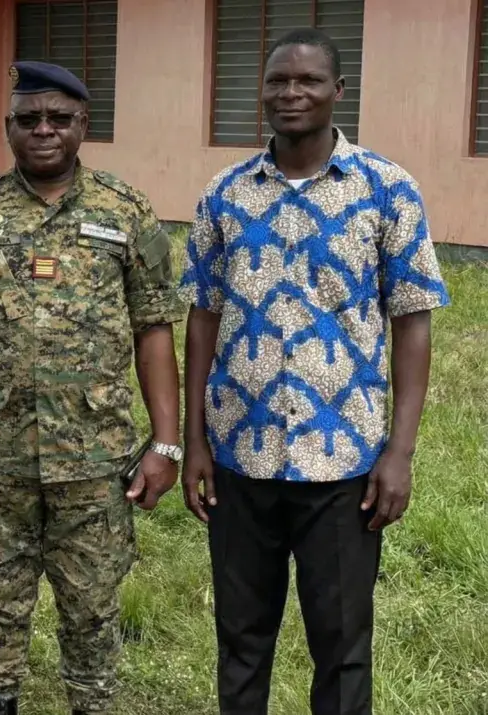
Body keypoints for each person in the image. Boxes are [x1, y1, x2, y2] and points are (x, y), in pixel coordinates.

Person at [178, 28, 450, 715]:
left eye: (306, 81)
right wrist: (195, 443)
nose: (290, 93)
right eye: (277, 81)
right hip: (242, 456)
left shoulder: (387, 190)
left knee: (342, 645)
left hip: (345, 466)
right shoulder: (225, 194)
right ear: (261, 90)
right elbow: (202, 317)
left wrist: (399, 451)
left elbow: (412, 319)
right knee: (241, 640)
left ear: (337, 91)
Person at [0, 60, 185, 715]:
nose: (43, 131)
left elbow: (154, 329)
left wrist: (167, 442)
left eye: (59, 119)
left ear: (83, 125)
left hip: (97, 458)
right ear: (7, 127)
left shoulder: (126, 210)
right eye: (28, 119)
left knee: (92, 603)